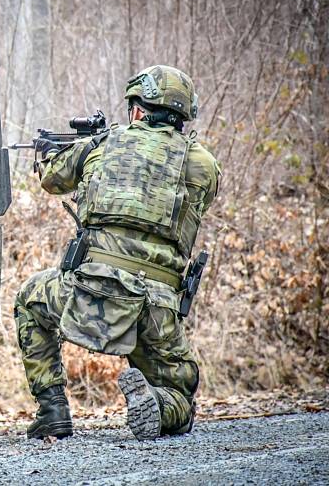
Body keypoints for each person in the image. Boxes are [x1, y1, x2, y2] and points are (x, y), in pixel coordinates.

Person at [14, 65, 221, 441]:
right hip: (156, 309)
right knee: (181, 396)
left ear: (138, 109)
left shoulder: (102, 144)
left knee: (29, 299)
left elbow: (51, 180)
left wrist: (73, 149)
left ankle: (53, 411)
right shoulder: (204, 165)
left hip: (90, 293)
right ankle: (157, 404)